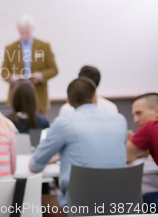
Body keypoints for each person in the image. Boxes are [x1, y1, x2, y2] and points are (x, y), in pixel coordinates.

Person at [29, 77, 127, 209]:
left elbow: (35, 165)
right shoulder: (120, 120)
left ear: (68, 102)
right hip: (120, 203)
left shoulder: (64, 123)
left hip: (81, 206)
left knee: (32, 199)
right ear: (95, 96)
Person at [1, 14, 58, 114]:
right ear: (18, 30)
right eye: (22, 32)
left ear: (32, 28)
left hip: (38, 95)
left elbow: (54, 69)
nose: (24, 34)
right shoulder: (10, 48)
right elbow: (4, 72)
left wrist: (40, 76)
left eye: (27, 31)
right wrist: (13, 78)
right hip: (17, 96)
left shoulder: (44, 46)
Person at [127, 93, 158, 205]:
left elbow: (126, 157)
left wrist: (132, 143)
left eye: (139, 113)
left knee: (144, 200)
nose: (135, 120)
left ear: (157, 111)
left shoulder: (150, 127)